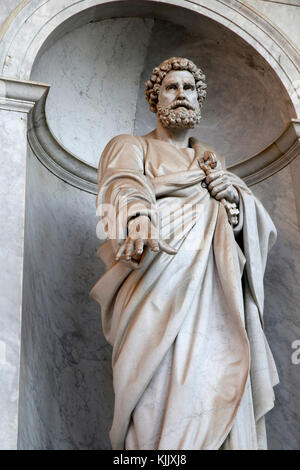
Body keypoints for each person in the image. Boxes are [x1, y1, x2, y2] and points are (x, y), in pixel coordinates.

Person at [90, 57, 279, 450]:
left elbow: (251, 234)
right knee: (154, 397)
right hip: (154, 288)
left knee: (214, 384)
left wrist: (237, 205)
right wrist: (139, 215)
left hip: (216, 303)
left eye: (188, 89)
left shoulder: (214, 167)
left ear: (199, 100)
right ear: (155, 99)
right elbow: (121, 185)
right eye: (171, 88)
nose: (181, 95)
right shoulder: (132, 146)